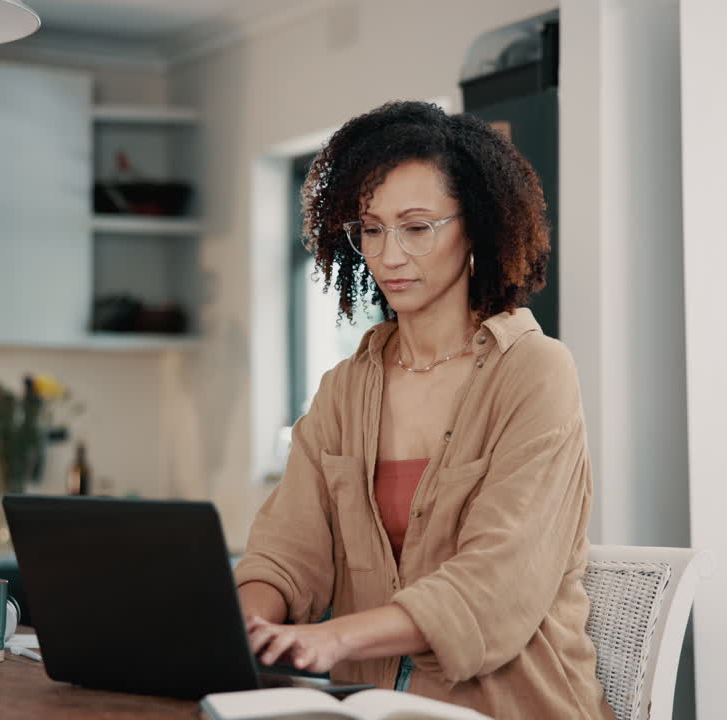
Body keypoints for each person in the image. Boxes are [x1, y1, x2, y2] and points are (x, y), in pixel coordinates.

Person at [234, 101, 613, 719]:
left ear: (476, 228)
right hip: (364, 705)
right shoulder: (344, 389)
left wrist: (329, 638)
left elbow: (494, 586)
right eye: (373, 229)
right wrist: (243, 628)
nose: (388, 256)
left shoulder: (535, 371)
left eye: (416, 227)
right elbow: (285, 553)